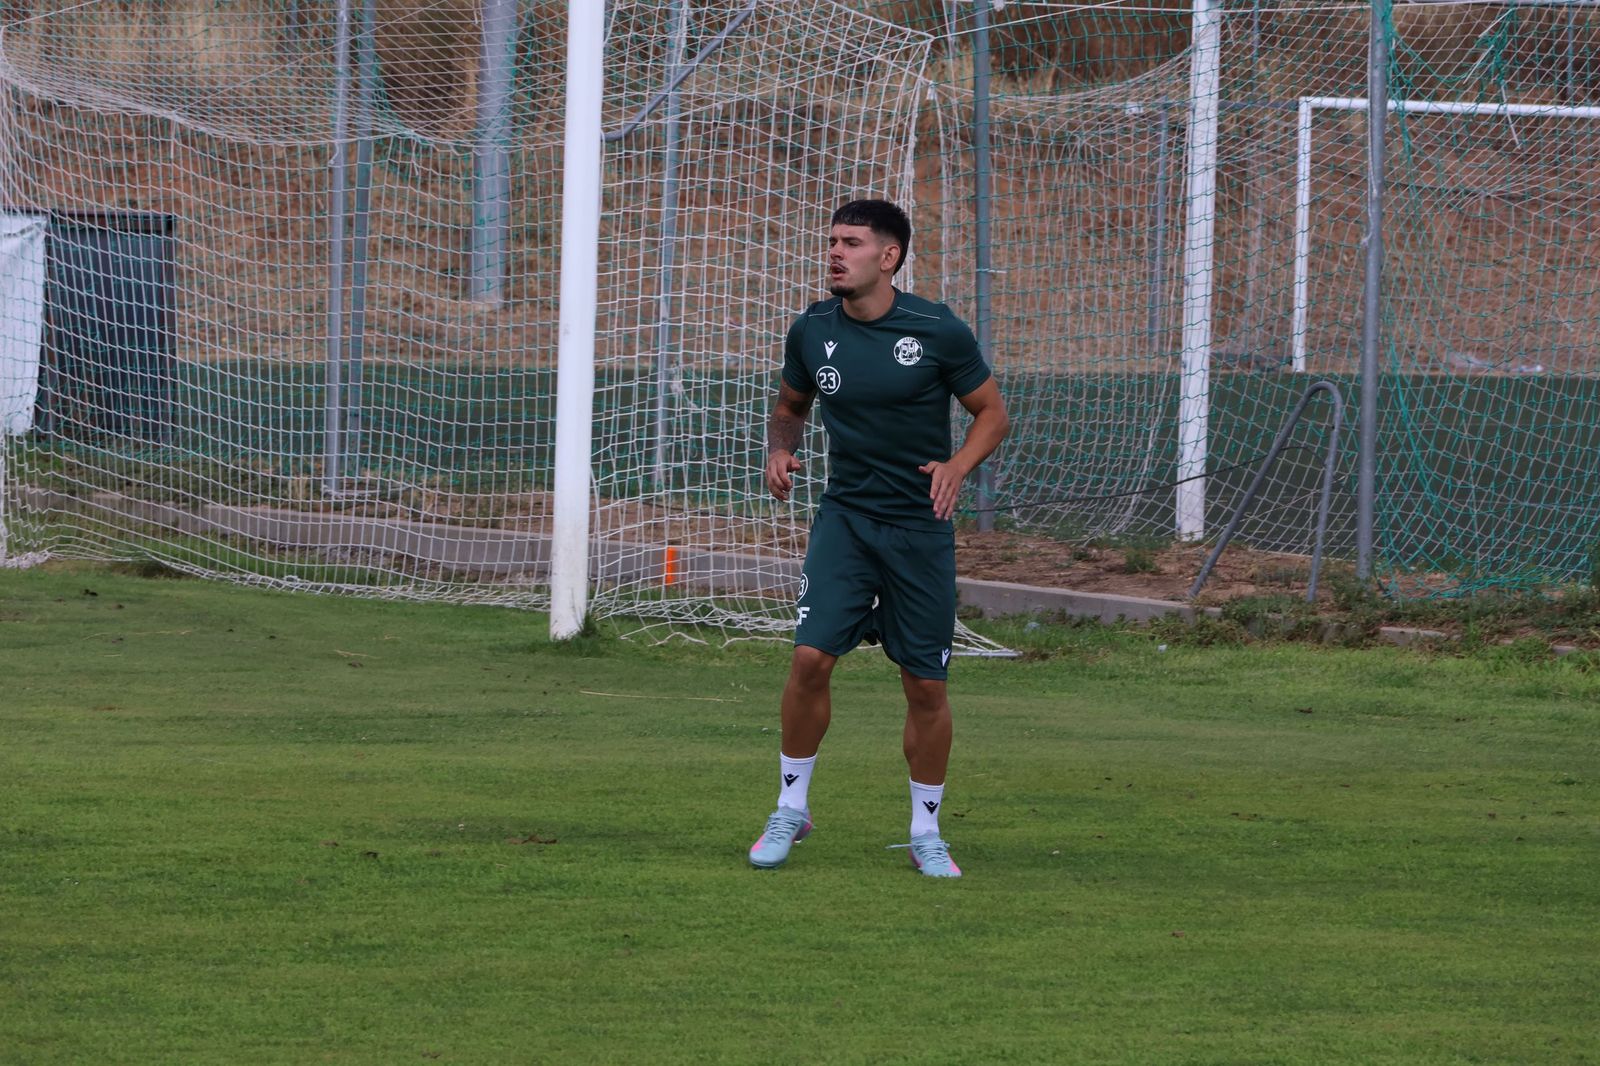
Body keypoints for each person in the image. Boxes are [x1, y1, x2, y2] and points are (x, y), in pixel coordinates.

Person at [749, 198, 1009, 878]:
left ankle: (926, 831)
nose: (836, 252)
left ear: (888, 257)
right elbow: (789, 408)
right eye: (832, 240)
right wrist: (780, 449)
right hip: (846, 521)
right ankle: (790, 808)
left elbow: (991, 413)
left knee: (924, 685)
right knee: (809, 660)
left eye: (852, 242)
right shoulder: (811, 329)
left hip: (919, 532)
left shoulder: (936, 328)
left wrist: (957, 465)